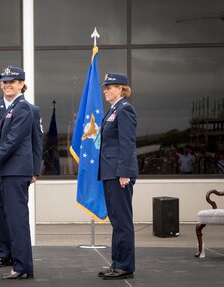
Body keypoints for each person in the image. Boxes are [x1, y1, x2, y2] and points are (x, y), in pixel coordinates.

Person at [0, 66, 36, 280]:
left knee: (17, 220)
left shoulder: (23, 108)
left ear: (22, 84)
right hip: (9, 171)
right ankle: (21, 265)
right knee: (12, 219)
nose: (7, 85)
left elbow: (12, 142)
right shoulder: (14, 108)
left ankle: (22, 267)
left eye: (12, 81)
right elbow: (3, 135)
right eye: (4, 82)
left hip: (15, 172)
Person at [97, 73, 138, 280]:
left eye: (109, 87)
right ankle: (117, 263)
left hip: (118, 173)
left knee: (122, 220)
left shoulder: (125, 109)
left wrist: (124, 172)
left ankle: (125, 266)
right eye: (105, 87)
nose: (105, 90)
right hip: (109, 172)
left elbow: (127, 144)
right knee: (116, 220)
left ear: (121, 89)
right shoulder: (113, 111)